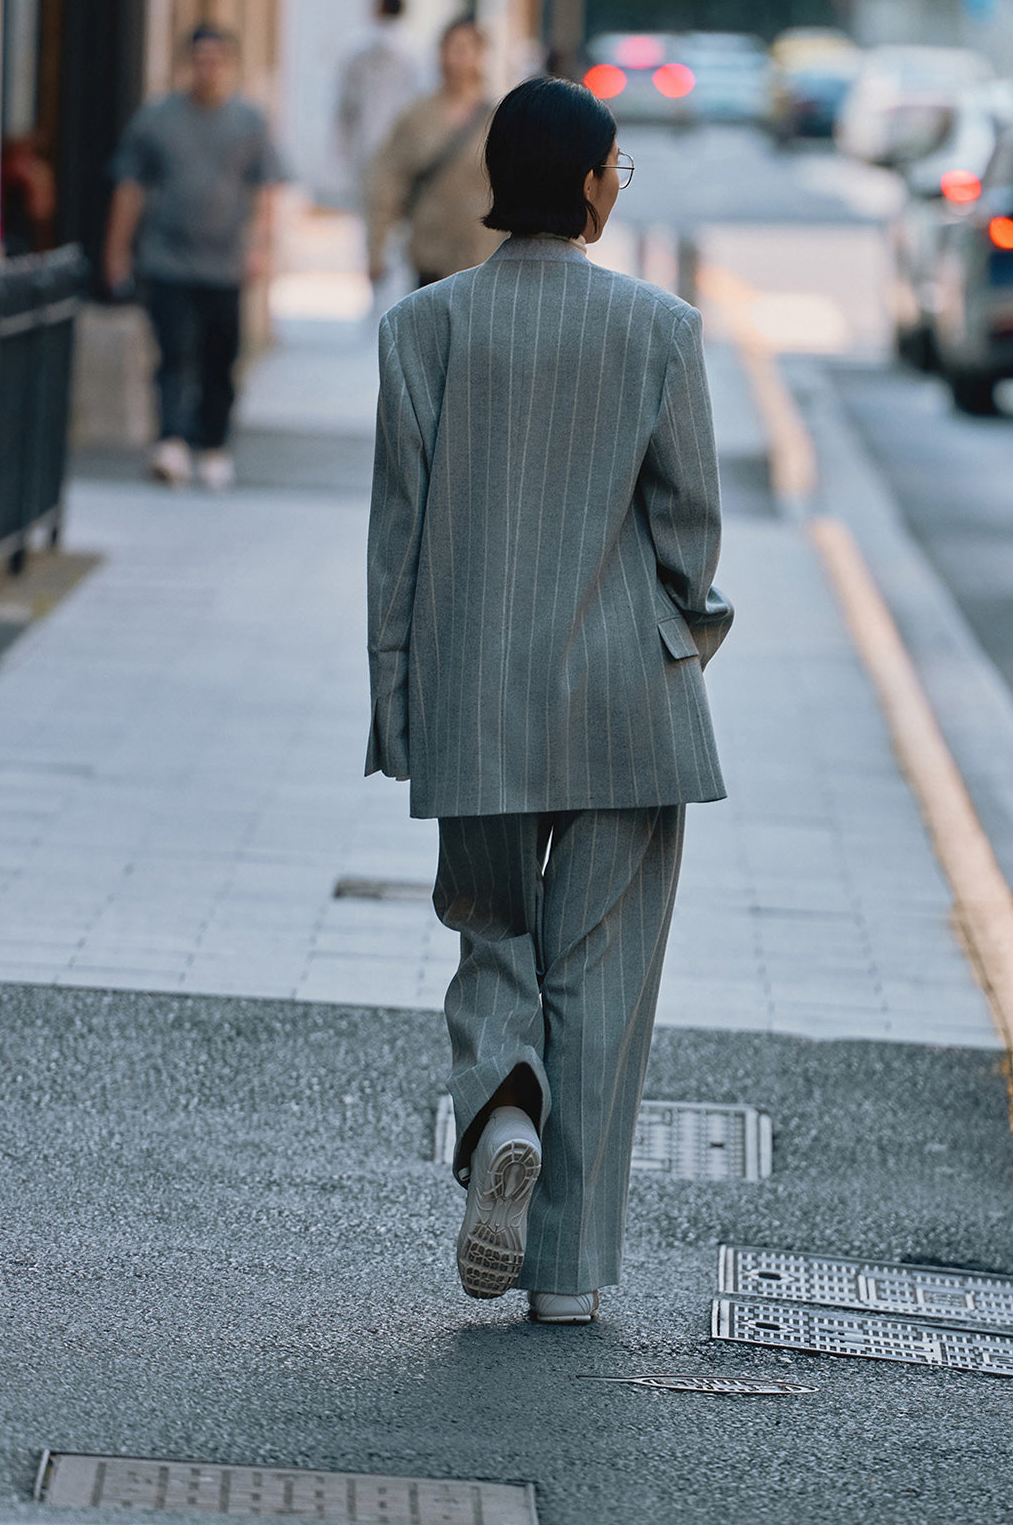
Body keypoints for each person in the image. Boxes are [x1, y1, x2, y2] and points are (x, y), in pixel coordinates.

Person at [365, 76, 733, 1324]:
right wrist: (694, 630)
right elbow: (688, 531)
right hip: (631, 700)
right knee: (605, 977)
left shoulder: (425, 329)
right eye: (616, 165)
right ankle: (565, 1275)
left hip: (474, 699)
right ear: (583, 182)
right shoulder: (659, 330)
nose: (619, 182)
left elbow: (396, 541)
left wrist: (398, 699)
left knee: (492, 933)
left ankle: (503, 1102)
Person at [102, 24, 285, 491]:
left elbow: (265, 187)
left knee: (220, 359)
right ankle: (172, 441)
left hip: (225, 264)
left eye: (217, 61)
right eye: (200, 60)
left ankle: (214, 444)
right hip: (168, 259)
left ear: (230, 66)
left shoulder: (249, 122)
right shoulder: (157, 119)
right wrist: (117, 250)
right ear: (188, 64)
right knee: (173, 352)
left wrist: (261, 247)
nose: (208, 70)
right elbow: (130, 186)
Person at [365, 17, 501, 290]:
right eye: (450, 48)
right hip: (429, 254)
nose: (457, 58)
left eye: (465, 48)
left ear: (481, 54)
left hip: (483, 256)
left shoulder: (499, 118)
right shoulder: (417, 117)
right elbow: (386, 181)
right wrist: (376, 247)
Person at [335, 0, 419, 204]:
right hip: (403, 146)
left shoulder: (357, 49)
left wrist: (342, 148)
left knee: (370, 213)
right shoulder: (415, 50)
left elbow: (346, 106)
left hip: (367, 146)